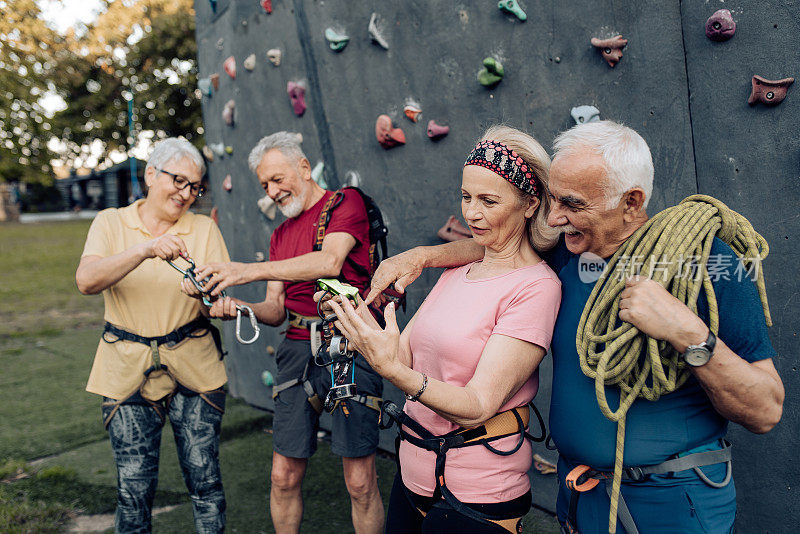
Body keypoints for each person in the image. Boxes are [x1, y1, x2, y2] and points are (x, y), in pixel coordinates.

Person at [365, 120, 785, 533]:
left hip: (673, 502)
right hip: (582, 497)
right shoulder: (569, 256)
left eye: (573, 204)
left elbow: (765, 410)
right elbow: (497, 242)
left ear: (631, 202)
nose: (554, 217)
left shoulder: (705, 264)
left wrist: (686, 332)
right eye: (552, 200)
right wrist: (421, 256)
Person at [323, 126, 563, 533]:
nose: (471, 213)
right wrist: (355, 319)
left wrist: (393, 370)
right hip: (413, 472)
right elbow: (403, 358)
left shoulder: (536, 287)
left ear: (529, 204)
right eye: (467, 197)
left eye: (489, 200)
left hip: (479, 492)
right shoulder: (457, 271)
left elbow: (478, 404)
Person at [192, 132, 384, 534]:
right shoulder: (279, 235)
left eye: (278, 179)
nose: (273, 191)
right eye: (264, 185)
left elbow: (329, 262)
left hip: (349, 343)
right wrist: (238, 308)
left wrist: (248, 269)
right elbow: (276, 310)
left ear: (303, 166)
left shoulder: (344, 201)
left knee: (360, 481)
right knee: (283, 475)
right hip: (296, 349)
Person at [75, 137, 229, 533]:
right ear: (150, 174)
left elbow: (217, 301)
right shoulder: (110, 222)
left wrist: (213, 300)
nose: (185, 194)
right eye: (178, 180)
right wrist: (146, 248)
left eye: (194, 186)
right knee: (133, 490)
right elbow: (87, 281)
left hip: (196, 368)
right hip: (126, 370)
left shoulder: (204, 228)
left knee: (206, 483)